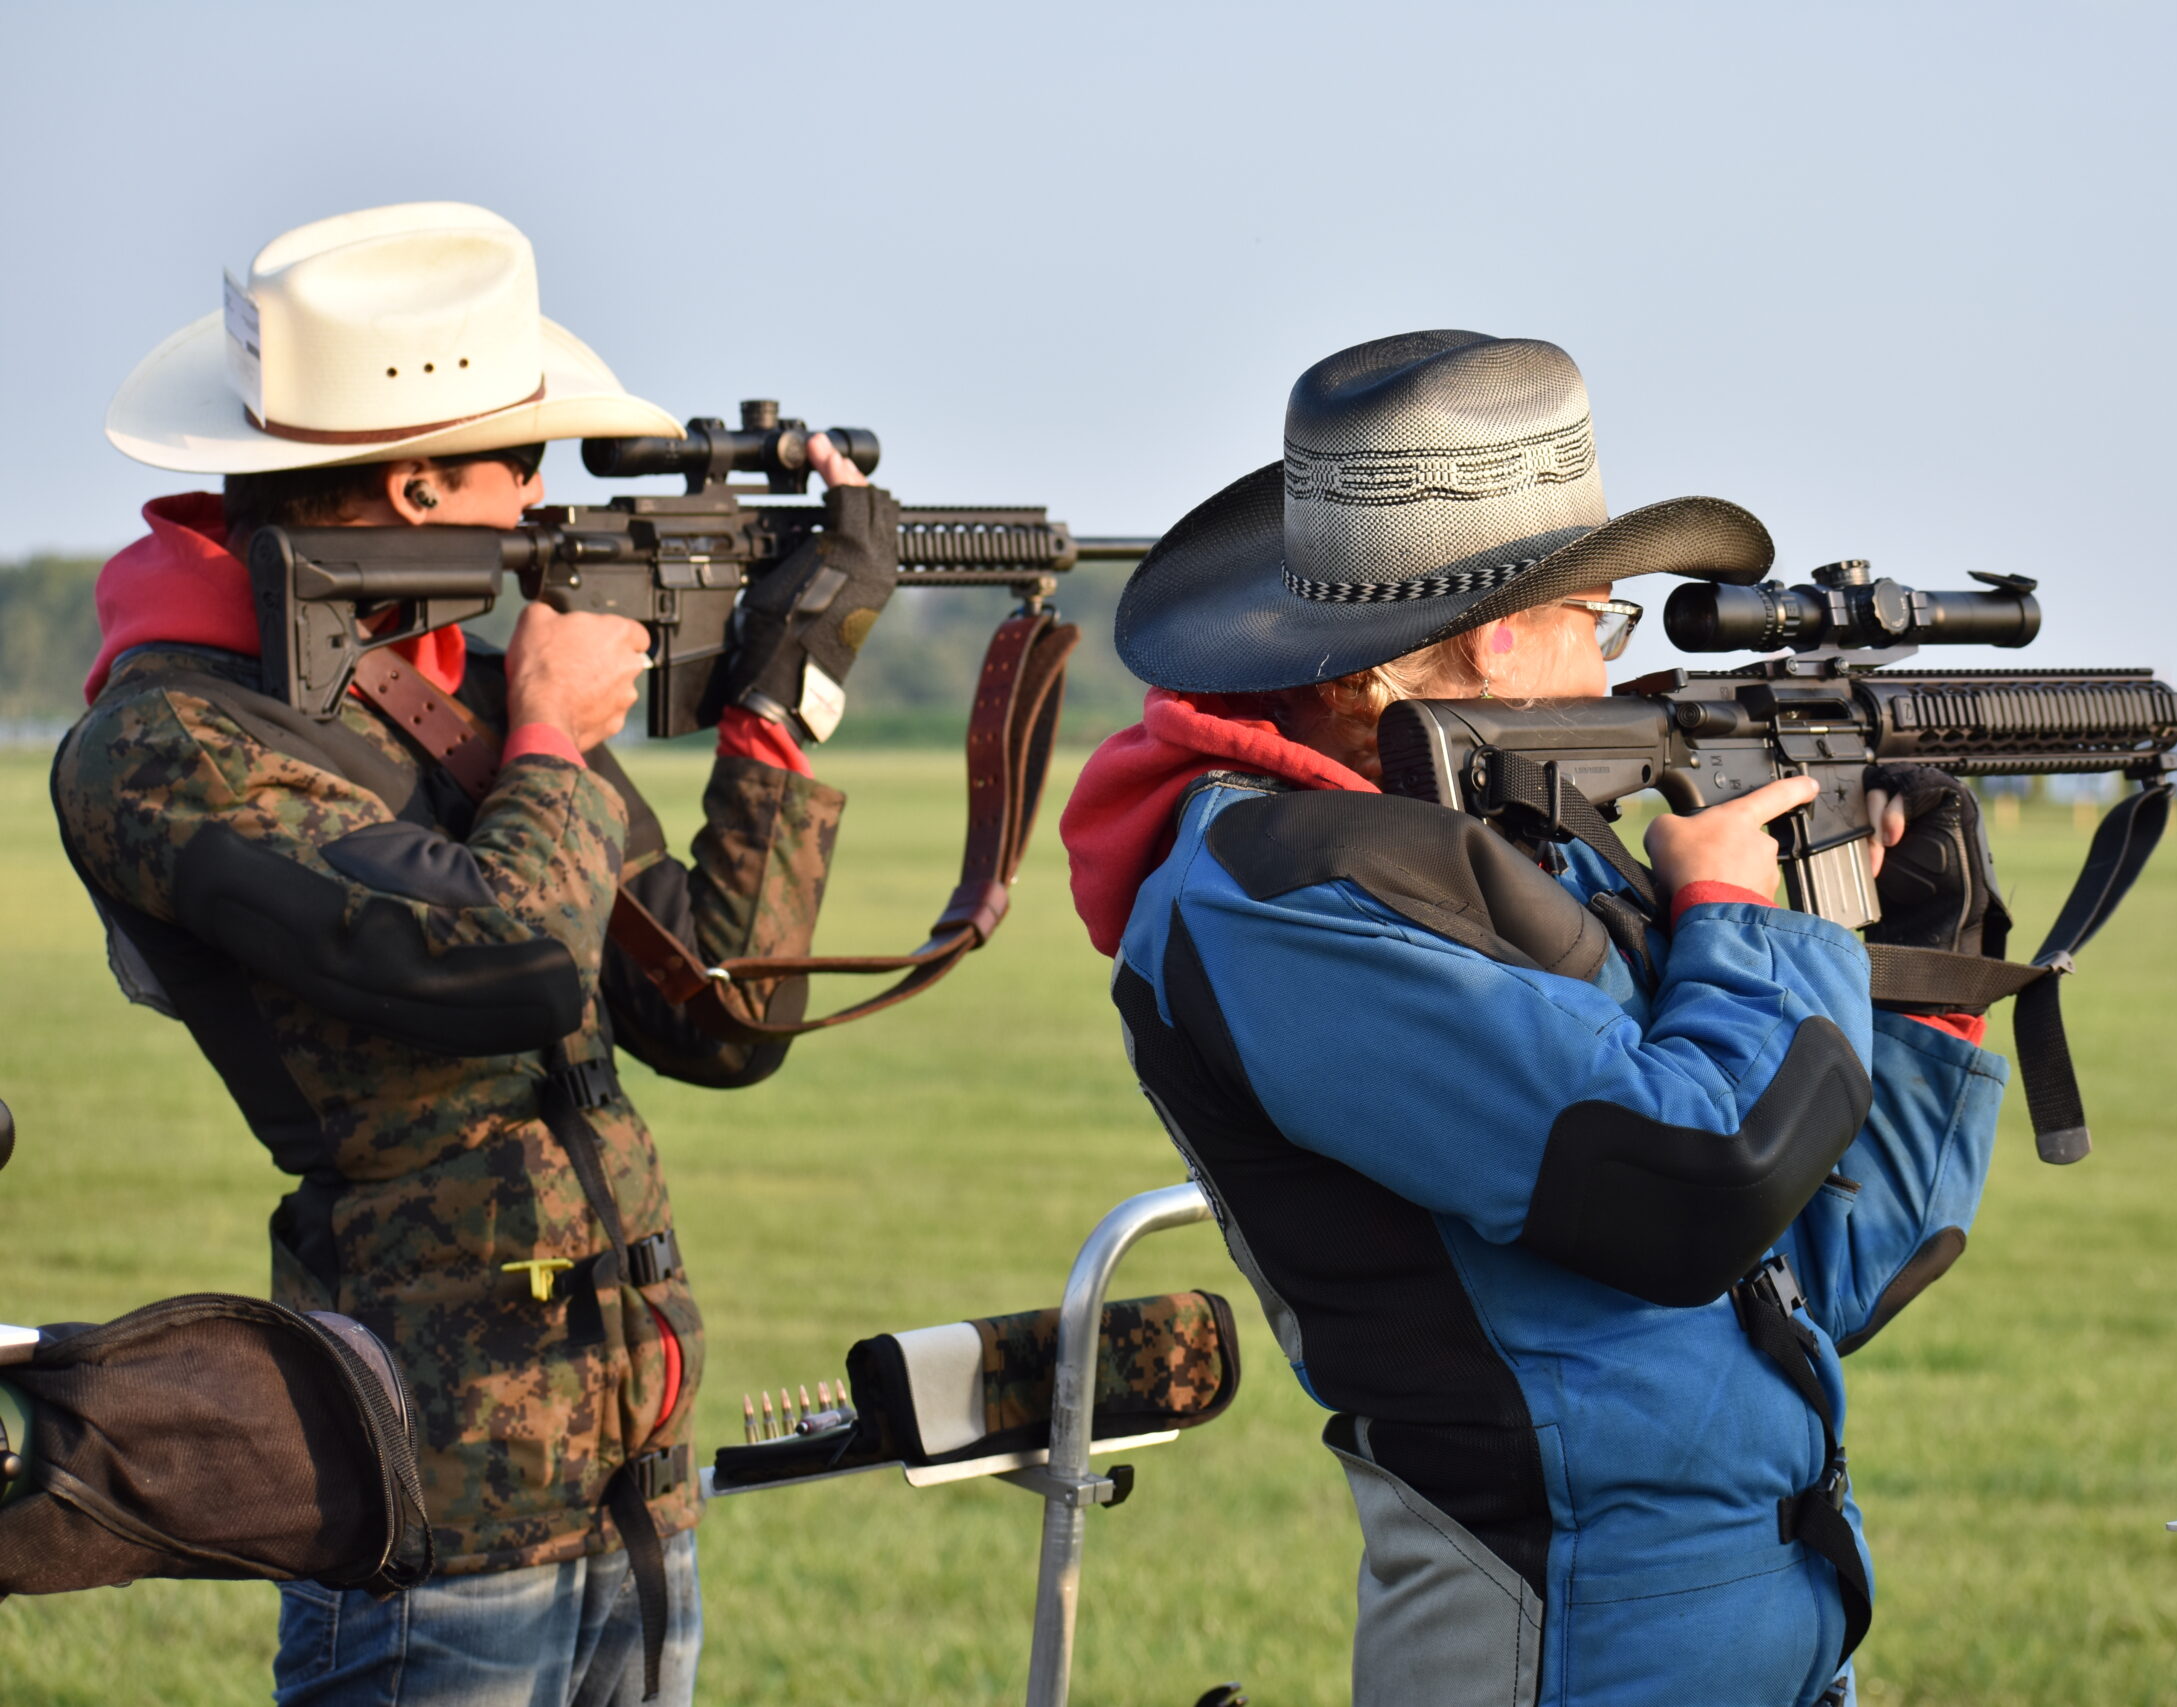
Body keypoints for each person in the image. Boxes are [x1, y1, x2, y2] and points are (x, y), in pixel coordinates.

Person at [1059, 332, 2012, 1707]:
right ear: (1502, 642)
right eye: (1601, 618)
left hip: (1768, 1614)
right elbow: (1696, 1186)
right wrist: (1762, 924)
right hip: (1574, 1638)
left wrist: (1921, 963)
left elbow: (1828, 1259)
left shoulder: (1513, 853)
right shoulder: (1282, 896)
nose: (1611, 662)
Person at [51, 203, 892, 1705]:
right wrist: (558, 729)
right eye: (524, 461)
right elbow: (497, 960)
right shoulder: (170, 742)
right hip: (435, 1520)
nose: (539, 505)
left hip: (623, 1492)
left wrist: (780, 707)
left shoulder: (455, 696)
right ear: (418, 477)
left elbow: (717, 1017)